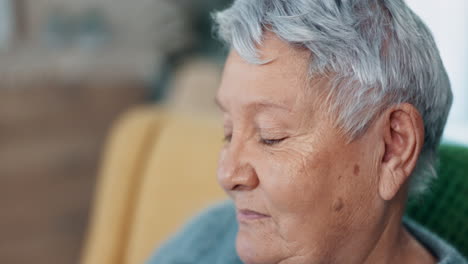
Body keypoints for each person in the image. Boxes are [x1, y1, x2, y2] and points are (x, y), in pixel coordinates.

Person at [148, 0, 467, 263]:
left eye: (270, 136)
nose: (228, 174)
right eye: (229, 132)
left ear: (392, 148)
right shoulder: (210, 238)